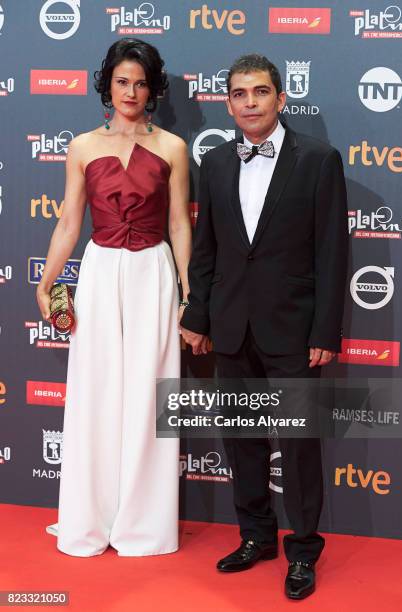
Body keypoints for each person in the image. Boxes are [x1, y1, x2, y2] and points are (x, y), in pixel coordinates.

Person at [180, 54, 348, 599]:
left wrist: (325, 332)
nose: (249, 102)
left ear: (280, 97)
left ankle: (303, 550)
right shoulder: (218, 164)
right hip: (230, 327)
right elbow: (206, 252)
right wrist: (198, 315)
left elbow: (331, 254)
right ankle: (256, 536)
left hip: (294, 332)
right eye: (238, 93)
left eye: (259, 92)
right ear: (228, 102)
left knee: (299, 446)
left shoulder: (319, 160)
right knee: (242, 441)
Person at [36, 38, 191, 557]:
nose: (131, 91)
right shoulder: (82, 146)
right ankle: (91, 517)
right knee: (97, 391)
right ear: (107, 84)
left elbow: (177, 224)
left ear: (153, 89)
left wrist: (188, 286)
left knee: (151, 395)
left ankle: (143, 525)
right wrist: (46, 280)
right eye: (122, 81)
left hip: (153, 272)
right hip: (101, 272)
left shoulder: (172, 147)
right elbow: (68, 222)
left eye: (141, 82)